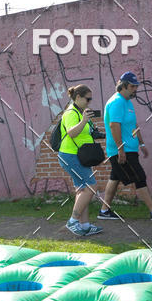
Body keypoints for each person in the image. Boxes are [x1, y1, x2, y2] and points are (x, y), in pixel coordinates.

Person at [98, 71, 152, 221]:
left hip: (130, 148)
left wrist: (141, 142)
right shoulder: (117, 101)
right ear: (123, 86)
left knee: (115, 178)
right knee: (139, 177)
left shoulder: (127, 102)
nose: (135, 89)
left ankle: (104, 211)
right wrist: (120, 149)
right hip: (122, 150)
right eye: (132, 86)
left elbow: (133, 124)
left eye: (136, 86)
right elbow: (114, 126)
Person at [57, 84, 103, 237]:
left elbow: (86, 133)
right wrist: (84, 120)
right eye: (87, 99)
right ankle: (73, 221)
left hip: (78, 155)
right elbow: (71, 133)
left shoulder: (81, 112)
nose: (89, 102)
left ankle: (85, 226)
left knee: (83, 189)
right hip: (70, 155)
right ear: (77, 97)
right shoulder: (71, 112)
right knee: (91, 186)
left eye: (91, 99)